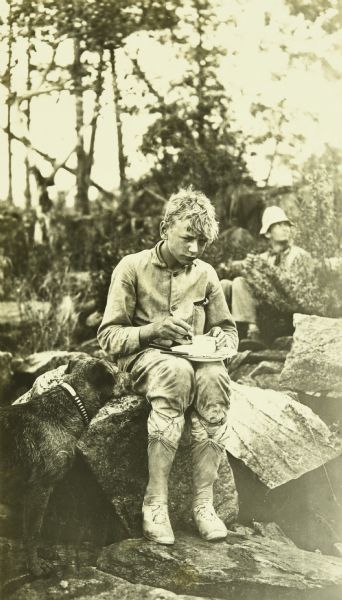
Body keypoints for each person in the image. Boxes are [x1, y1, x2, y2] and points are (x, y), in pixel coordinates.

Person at [98, 188, 238, 545]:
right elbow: (109, 336)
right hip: (144, 359)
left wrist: (223, 341)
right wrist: (151, 331)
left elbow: (227, 328)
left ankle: (204, 503)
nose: (194, 249)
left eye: (202, 242)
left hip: (196, 360)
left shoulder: (206, 273)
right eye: (188, 238)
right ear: (165, 229)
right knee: (176, 373)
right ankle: (155, 501)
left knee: (215, 377)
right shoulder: (131, 267)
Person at [220, 205, 310, 349]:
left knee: (239, 282)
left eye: (286, 225)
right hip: (261, 304)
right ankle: (219, 332)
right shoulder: (263, 257)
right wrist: (244, 264)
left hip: (282, 308)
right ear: (268, 234)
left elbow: (297, 291)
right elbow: (228, 268)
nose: (285, 228)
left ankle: (253, 331)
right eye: (279, 225)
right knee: (224, 284)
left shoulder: (299, 255)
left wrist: (264, 273)